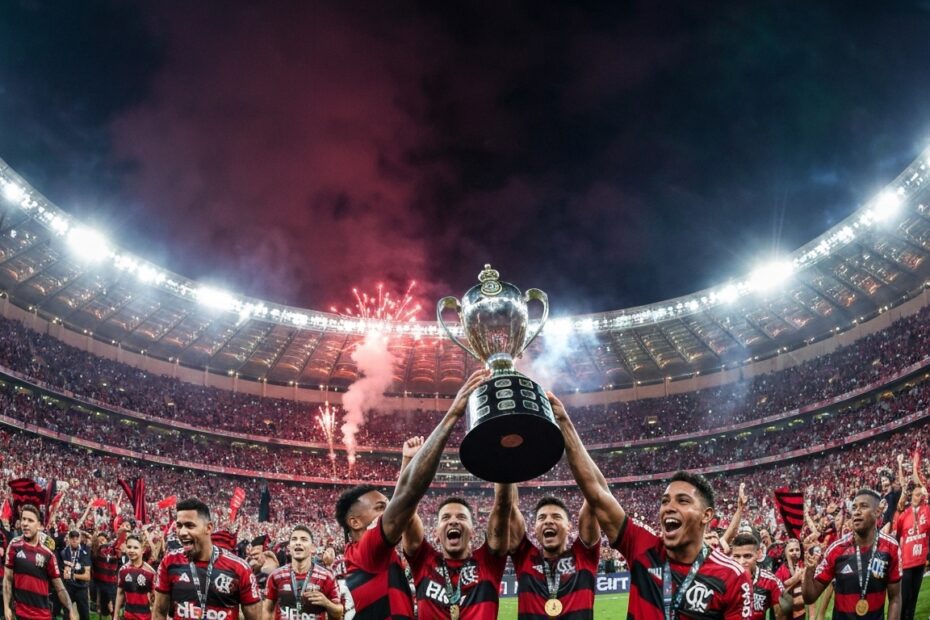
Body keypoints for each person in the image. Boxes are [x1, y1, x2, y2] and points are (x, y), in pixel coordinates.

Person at [552, 393, 752, 619]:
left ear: (706, 515)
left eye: (682, 500)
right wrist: (564, 422)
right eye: (665, 501)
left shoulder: (733, 576)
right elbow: (597, 493)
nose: (669, 507)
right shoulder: (643, 546)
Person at [333, 369, 487, 620]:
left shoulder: (367, 556)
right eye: (380, 507)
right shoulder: (368, 550)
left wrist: (407, 463)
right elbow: (404, 501)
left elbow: (402, 505)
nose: (388, 510)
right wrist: (453, 414)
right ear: (355, 522)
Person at [401, 437, 517, 619]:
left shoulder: (488, 562)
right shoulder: (424, 561)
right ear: (436, 533)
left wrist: (500, 456)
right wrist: (409, 461)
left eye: (461, 517)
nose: (453, 521)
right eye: (445, 517)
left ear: (472, 532)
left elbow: (503, 507)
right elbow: (405, 509)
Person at [152, 498, 261, 620]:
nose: (182, 532)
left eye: (189, 526)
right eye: (179, 525)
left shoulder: (239, 568)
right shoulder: (169, 562)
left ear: (208, 528)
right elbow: (159, 612)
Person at [802, 489, 901, 620]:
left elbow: (895, 598)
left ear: (877, 512)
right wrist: (809, 571)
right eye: (854, 508)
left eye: (863, 506)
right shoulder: (836, 550)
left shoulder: (891, 547)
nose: (857, 512)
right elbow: (809, 598)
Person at [509, 496, 600, 619]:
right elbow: (508, 505)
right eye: (541, 518)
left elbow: (592, 496)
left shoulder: (584, 555)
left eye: (556, 516)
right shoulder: (524, 557)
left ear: (569, 526)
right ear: (535, 528)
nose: (548, 521)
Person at [3, 504, 72, 620]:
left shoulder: (48, 553)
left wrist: (70, 610)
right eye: (23, 519)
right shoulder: (14, 546)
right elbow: (8, 579)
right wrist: (6, 606)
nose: (25, 523)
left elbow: (59, 587)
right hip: (20, 614)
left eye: (30, 520)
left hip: (42, 615)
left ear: (39, 525)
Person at [263, 525, 342, 620]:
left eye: (303, 539)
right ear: (289, 547)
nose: (298, 543)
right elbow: (266, 610)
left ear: (312, 548)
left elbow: (339, 613)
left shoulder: (327, 577)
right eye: (294, 539)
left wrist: (327, 603)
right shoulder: (276, 576)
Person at [891, 453, 929, 620]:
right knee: (904, 599)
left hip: (920, 562)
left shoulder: (927, 510)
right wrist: (901, 465)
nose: (918, 496)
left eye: (921, 494)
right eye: (916, 494)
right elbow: (897, 534)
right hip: (906, 563)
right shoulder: (903, 515)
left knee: (913, 600)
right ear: (911, 495)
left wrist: (915, 466)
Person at [730, 533, 789, 620]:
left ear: (758, 554)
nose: (741, 562)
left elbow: (781, 616)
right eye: (737, 556)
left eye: (747, 556)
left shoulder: (771, 581)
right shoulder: (723, 580)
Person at [114, 534, 156, 620]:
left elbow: (155, 600)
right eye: (129, 547)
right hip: (127, 617)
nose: (131, 550)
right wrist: (115, 617)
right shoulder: (122, 570)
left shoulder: (150, 572)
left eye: (135, 548)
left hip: (145, 617)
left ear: (143, 550)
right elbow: (120, 594)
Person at [57, 530, 91, 620]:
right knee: (67, 615)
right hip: (68, 588)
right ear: (69, 539)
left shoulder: (85, 552)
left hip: (81, 588)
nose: (74, 540)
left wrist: (72, 575)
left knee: (84, 615)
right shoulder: (63, 552)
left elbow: (87, 576)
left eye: (77, 538)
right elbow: (62, 572)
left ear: (80, 539)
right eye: (72, 538)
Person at [773, 539, 806, 620]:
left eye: (797, 550)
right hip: (785, 609)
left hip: (800, 609)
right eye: (791, 550)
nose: (795, 552)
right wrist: (795, 579)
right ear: (785, 553)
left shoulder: (803, 565)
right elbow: (777, 591)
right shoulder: (781, 570)